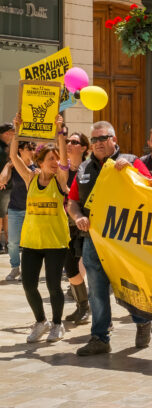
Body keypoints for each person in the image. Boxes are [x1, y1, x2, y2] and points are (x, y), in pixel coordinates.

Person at [67, 121, 152, 356]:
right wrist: (77, 218)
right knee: (96, 288)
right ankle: (100, 337)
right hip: (93, 238)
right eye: (93, 140)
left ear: (114, 140)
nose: (97, 143)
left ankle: (142, 321)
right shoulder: (84, 168)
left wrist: (133, 172)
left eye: (102, 138)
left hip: (125, 239)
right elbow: (73, 202)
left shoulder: (132, 161)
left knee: (129, 284)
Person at [10, 114, 70, 343]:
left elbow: (65, 161)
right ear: (41, 161)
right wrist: (17, 130)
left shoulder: (60, 179)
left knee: (54, 286)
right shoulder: (30, 178)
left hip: (56, 241)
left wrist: (59, 132)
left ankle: (57, 323)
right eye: (51, 159)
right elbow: (14, 156)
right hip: (32, 241)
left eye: (56, 159)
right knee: (28, 285)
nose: (55, 163)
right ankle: (40, 321)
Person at [64, 132, 91, 325]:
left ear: (83, 148)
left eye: (74, 142)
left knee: (85, 267)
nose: (69, 144)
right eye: (67, 141)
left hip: (86, 225)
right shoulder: (62, 169)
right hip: (66, 225)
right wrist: (58, 133)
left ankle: (91, 310)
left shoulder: (88, 169)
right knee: (71, 269)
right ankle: (83, 306)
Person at [1, 138, 35, 282]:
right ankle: (15, 268)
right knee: (13, 242)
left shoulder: (38, 166)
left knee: (30, 243)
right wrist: (9, 165)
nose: (32, 152)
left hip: (33, 211)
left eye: (34, 149)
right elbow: (2, 180)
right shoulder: (13, 167)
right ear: (19, 151)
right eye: (29, 149)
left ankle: (27, 270)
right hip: (15, 209)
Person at [0, 122, 14, 255]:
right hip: (2, 185)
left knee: (5, 214)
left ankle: (8, 244)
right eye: (11, 132)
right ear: (6, 133)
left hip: (7, 185)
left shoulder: (7, 146)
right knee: (1, 214)